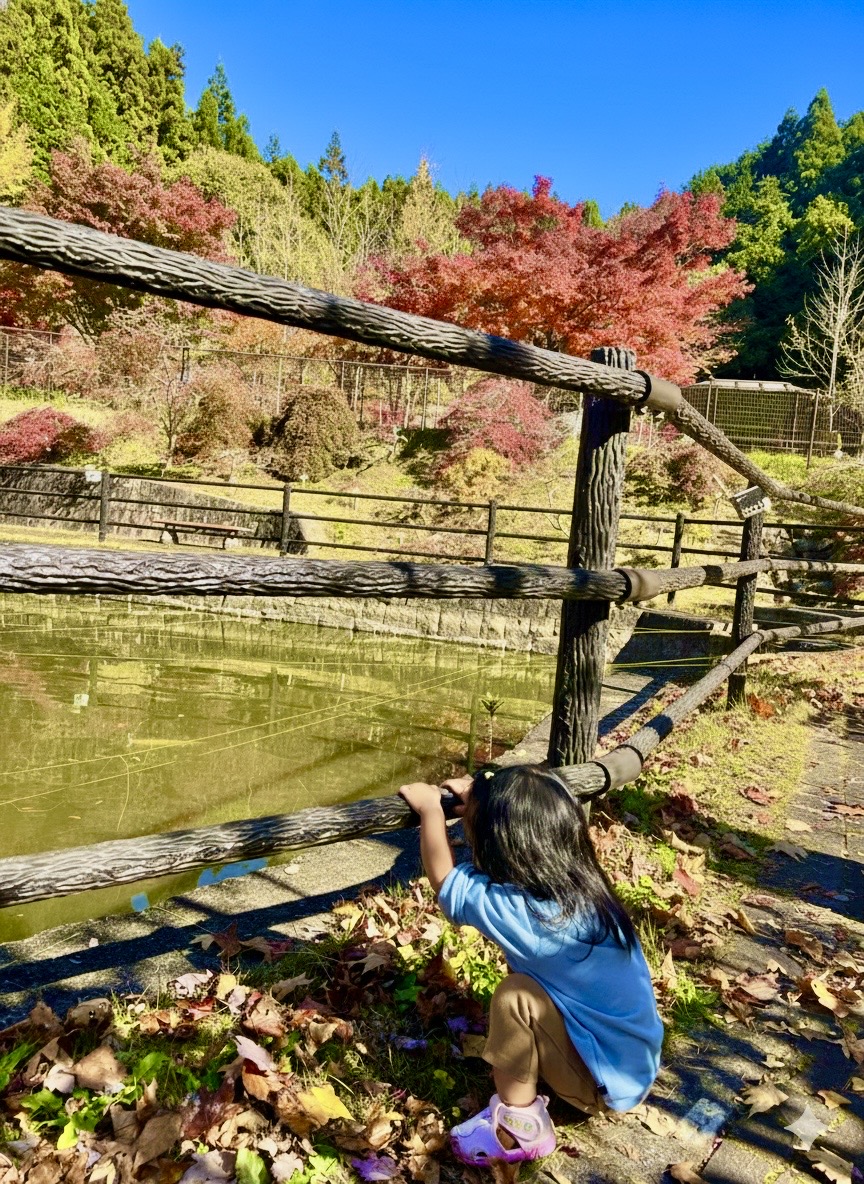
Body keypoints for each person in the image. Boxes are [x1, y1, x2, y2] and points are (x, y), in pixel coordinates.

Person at [398, 764, 663, 1168]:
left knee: (516, 997)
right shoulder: (581, 888)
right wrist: (482, 798)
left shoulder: (530, 916)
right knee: (527, 991)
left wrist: (432, 811)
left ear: (505, 846)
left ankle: (519, 1126)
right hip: (630, 1064)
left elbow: (446, 881)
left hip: (601, 1088)